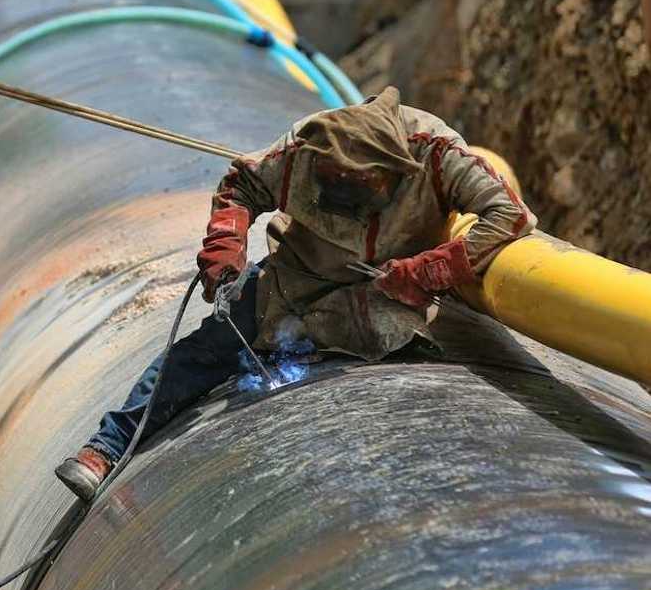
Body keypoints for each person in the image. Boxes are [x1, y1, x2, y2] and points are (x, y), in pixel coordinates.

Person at [54, 87, 535, 502]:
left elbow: (509, 216)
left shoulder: (435, 153)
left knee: (403, 369)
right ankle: (107, 448)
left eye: (358, 186)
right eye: (334, 183)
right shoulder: (307, 145)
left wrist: (428, 270)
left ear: (392, 173)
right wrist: (226, 245)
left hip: (380, 297)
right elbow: (241, 184)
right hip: (293, 280)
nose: (343, 194)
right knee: (203, 352)